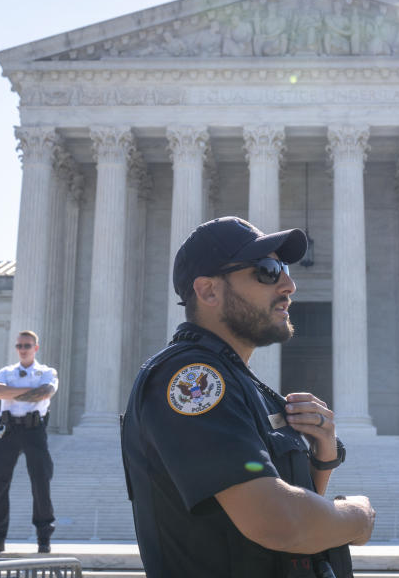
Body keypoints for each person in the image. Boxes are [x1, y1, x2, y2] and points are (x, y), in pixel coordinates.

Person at [121, 216, 375, 578]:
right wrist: (358, 518)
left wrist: (323, 457)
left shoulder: (244, 385)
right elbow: (278, 523)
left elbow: (281, 499)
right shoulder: (192, 380)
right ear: (209, 291)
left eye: (284, 268)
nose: (289, 285)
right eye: (268, 270)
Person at [0, 331, 58, 553]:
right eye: (20, 345)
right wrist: (31, 391)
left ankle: (44, 539)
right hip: (7, 430)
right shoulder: (5, 371)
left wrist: (11, 393)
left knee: (41, 483)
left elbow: (45, 394)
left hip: (34, 430)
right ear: (16, 348)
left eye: (27, 345)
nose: (23, 349)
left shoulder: (47, 372)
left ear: (36, 348)